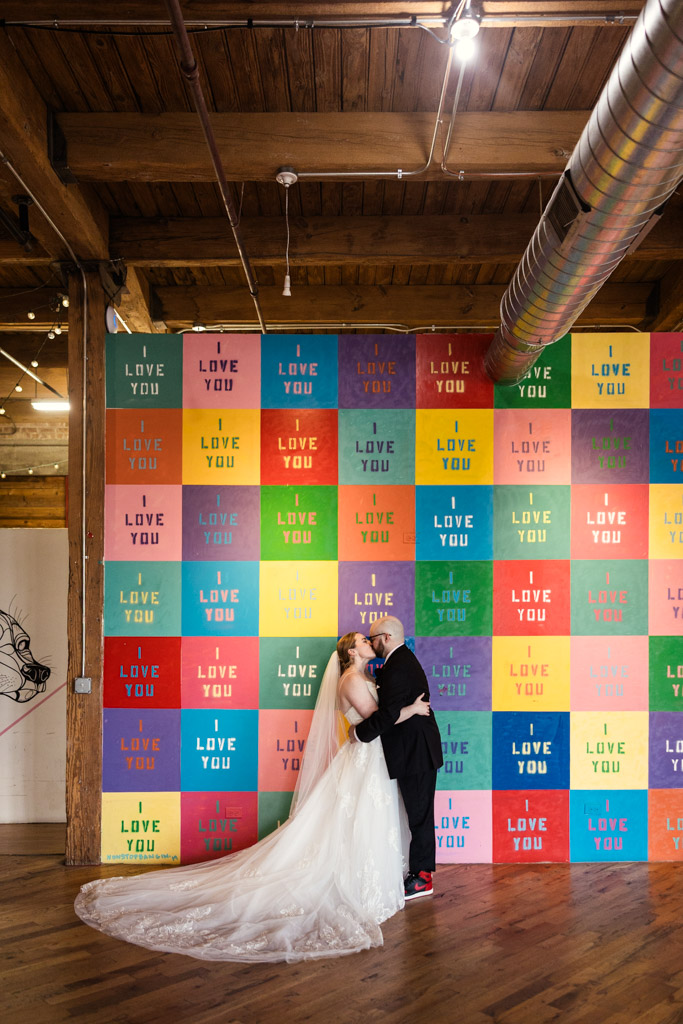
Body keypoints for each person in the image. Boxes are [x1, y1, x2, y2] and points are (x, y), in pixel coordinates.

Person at [74, 631, 431, 963]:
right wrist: (411, 711)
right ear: (352, 651)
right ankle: (355, 883)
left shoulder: (367, 677)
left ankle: (372, 878)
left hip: (373, 761)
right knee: (353, 821)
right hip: (363, 758)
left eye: (371, 638)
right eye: (363, 640)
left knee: (365, 821)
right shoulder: (351, 680)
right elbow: (373, 723)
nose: (370, 642)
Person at [349, 615, 443, 901]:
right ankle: (420, 873)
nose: (372, 643)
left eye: (373, 638)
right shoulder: (398, 663)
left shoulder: (398, 666)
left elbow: (387, 715)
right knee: (418, 813)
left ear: (386, 638)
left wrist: (358, 734)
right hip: (414, 750)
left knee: (419, 815)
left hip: (416, 752)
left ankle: (423, 878)